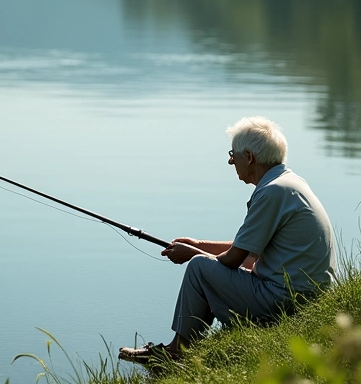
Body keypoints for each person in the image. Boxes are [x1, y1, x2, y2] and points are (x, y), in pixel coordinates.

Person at [119, 116, 336, 365]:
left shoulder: (271, 192)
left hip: (288, 302)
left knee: (199, 268)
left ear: (250, 157)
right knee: (207, 263)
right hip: (309, 297)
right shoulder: (289, 183)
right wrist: (199, 245)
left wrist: (192, 255)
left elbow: (234, 259)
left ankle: (177, 353)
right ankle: (180, 349)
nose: (231, 161)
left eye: (233, 155)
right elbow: (247, 251)